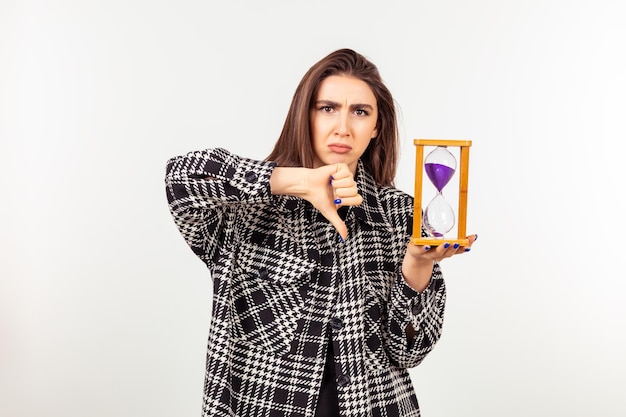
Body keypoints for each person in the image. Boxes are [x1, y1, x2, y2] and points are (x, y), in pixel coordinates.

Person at [165, 48, 477, 417]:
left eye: (360, 112)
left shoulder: (399, 214)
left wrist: (416, 266)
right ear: (305, 114)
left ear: (376, 126)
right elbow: (180, 177)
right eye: (327, 108)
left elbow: (411, 352)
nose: (343, 127)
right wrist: (296, 180)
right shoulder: (245, 212)